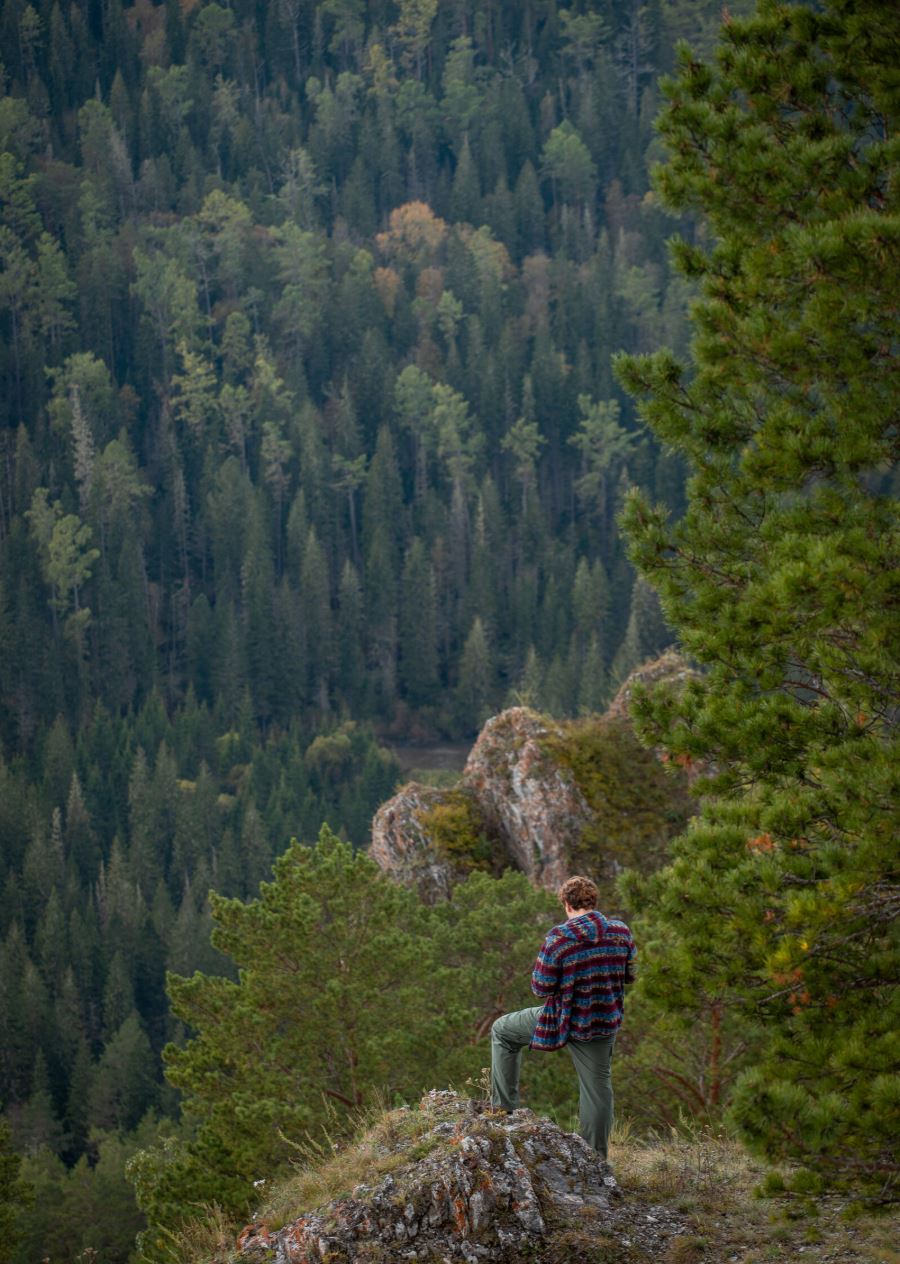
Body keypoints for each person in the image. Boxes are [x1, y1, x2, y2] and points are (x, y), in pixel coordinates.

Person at [489, 875, 636, 1160]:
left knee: (502, 1032)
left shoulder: (559, 938)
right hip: (603, 1020)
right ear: (594, 901)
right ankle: (596, 1160)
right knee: (597, 1089)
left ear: (567, 904)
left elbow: (540, 987)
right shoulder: (621, 932)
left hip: (562, 1018)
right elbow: (629, 975)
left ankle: (502, 1111)